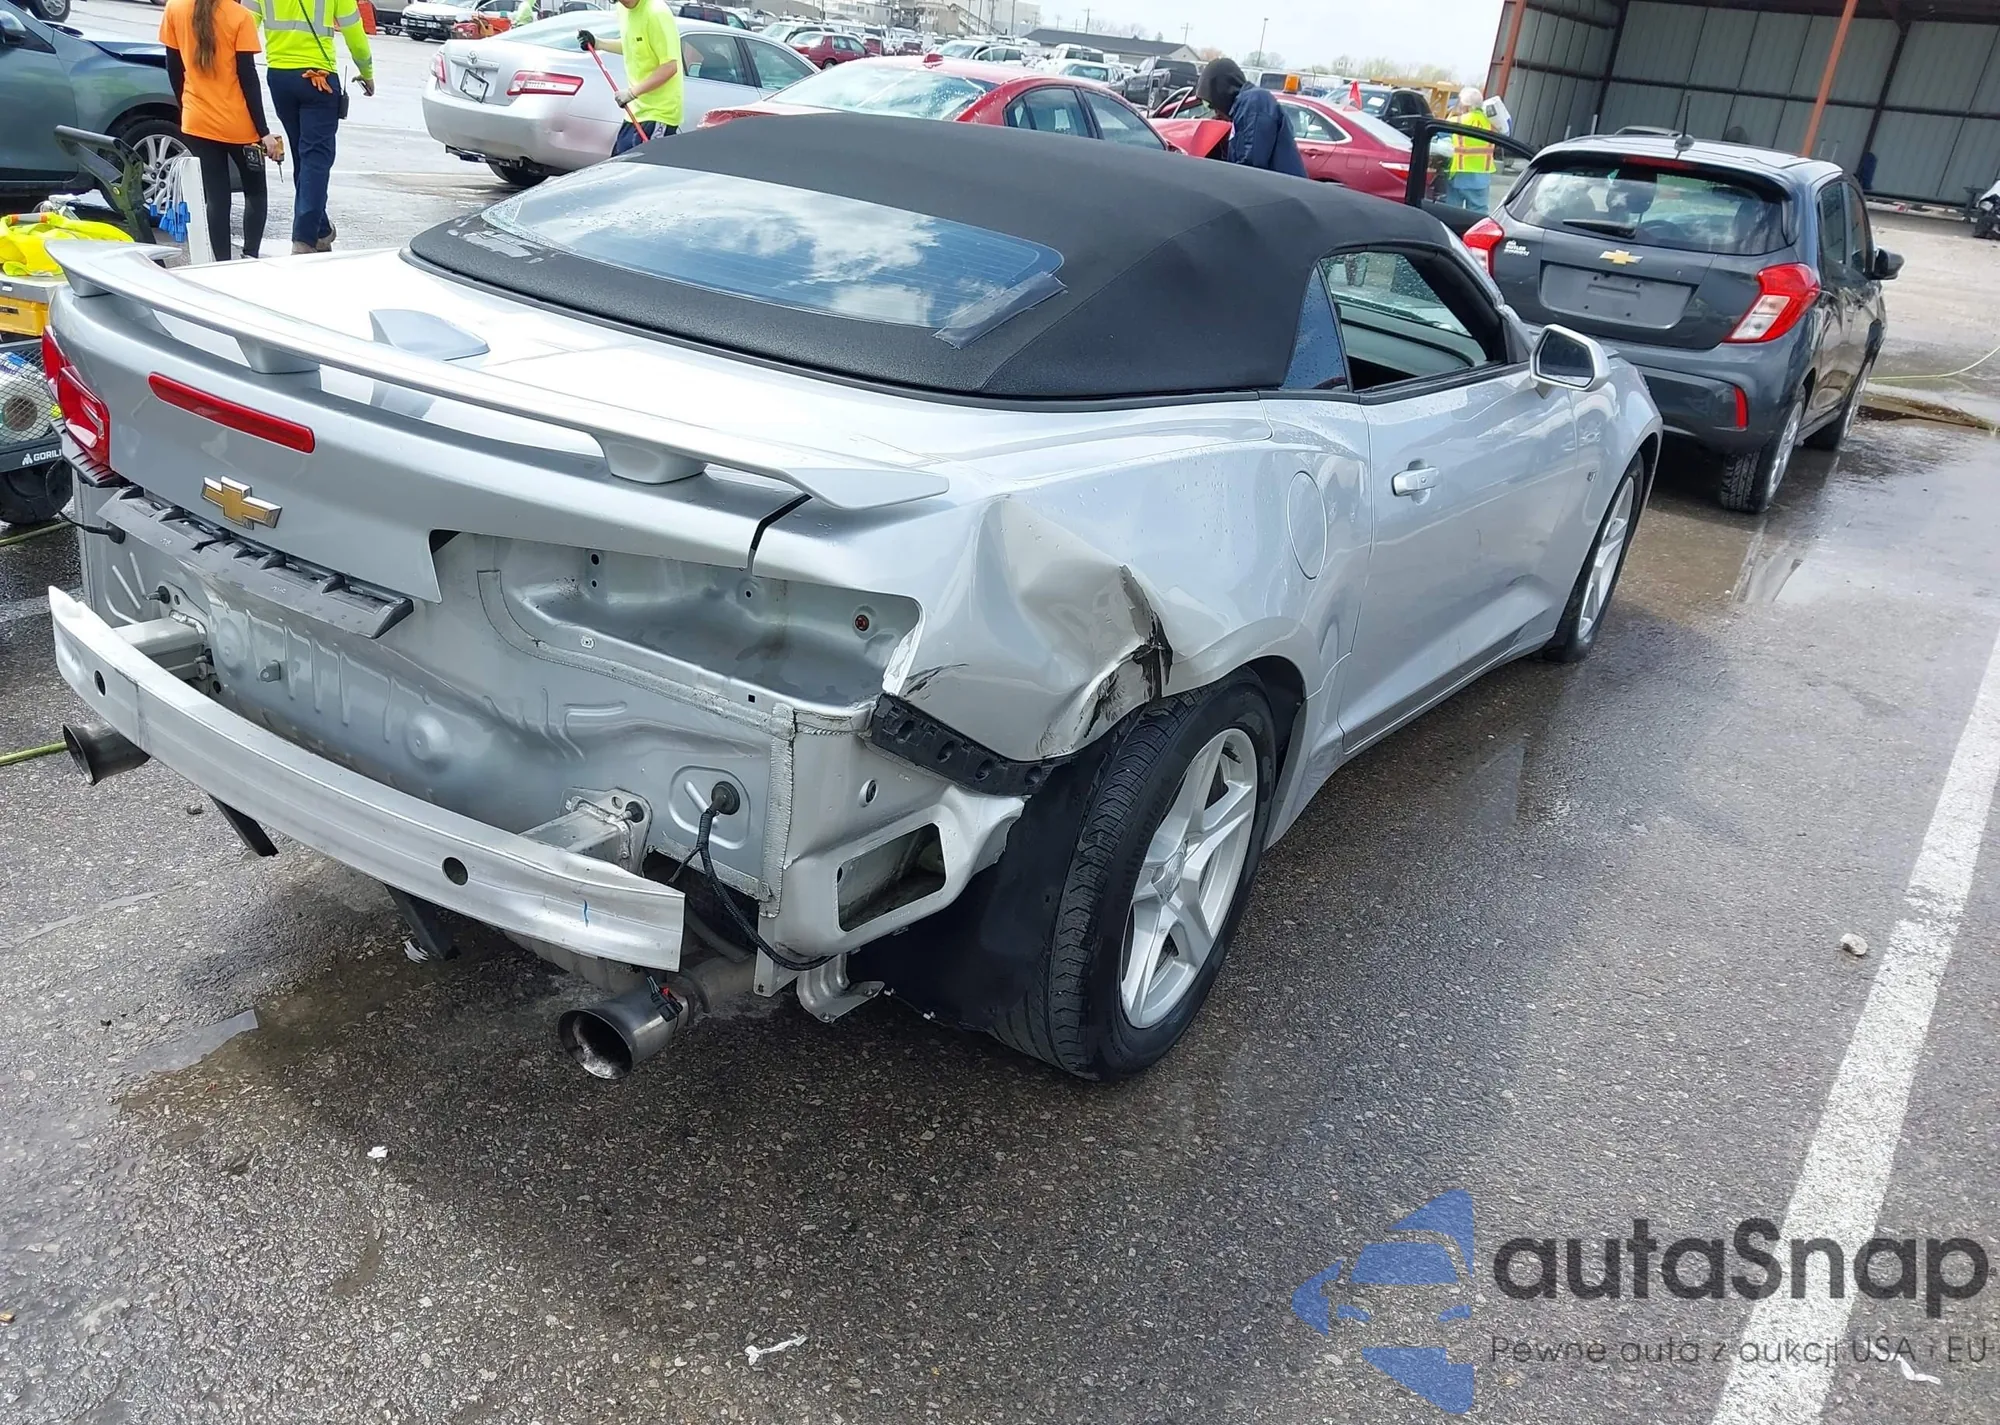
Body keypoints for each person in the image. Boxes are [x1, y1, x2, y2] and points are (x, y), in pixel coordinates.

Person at [246, 0, 374, 254]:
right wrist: (366, 71)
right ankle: (304, 239)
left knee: (303, 157)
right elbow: (354, 33)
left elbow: (245, 26)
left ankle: (321, 230)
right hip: (319, 80)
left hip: (280, 77)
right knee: (315, 159)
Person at [159, 0, 284, 260]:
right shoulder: (240, 17)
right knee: (256, 191)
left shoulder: (175, 8)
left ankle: (222, 262)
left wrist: (186, 106)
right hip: (240, 125)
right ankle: (249, 256)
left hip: (197, 120)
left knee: (216, 196)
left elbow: (174, 68)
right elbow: (248, 77)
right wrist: (263, 131)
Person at [579, 0, 683, 155]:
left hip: (659, 114)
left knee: (644, 169)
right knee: (618, 166)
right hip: (634, 112)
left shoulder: (656, 13)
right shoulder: (623, 9)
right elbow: (632, 45)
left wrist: (631, 93)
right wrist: (598, 43)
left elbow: (670, 66)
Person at [1195, 58, 1305, 178]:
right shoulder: (1244, 106)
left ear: (1221, 91)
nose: (1215, 110)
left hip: (1280, 187)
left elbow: (1250, 166)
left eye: (1211, 103)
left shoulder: (1254, 102)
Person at [1446, 85, 1494, 211]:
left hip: (1459, 175)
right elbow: (1506, 131)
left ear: (1465, 105)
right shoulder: (1491, 123)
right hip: (1481, 179)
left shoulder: (1456, 121)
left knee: (1451, 213)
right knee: (1478, 214)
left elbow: (1438, 137)